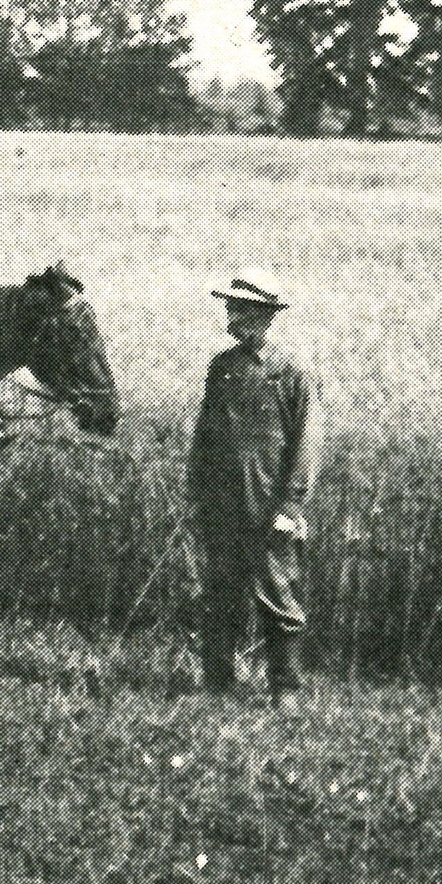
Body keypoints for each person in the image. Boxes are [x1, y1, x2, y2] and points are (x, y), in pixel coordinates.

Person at [187, 268, 321, 707]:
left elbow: (306, 443)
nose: (231, 318)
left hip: (269, 509)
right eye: (230, 308)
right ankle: (217, 682)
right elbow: (206, 434)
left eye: (240, 310)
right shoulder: (222, 367)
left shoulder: (294, 373)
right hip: (222, 505)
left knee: (278, 593)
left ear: (265, 315)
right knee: (219, 592)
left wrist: (291, 507)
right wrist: (197, 490)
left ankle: (285, 689)